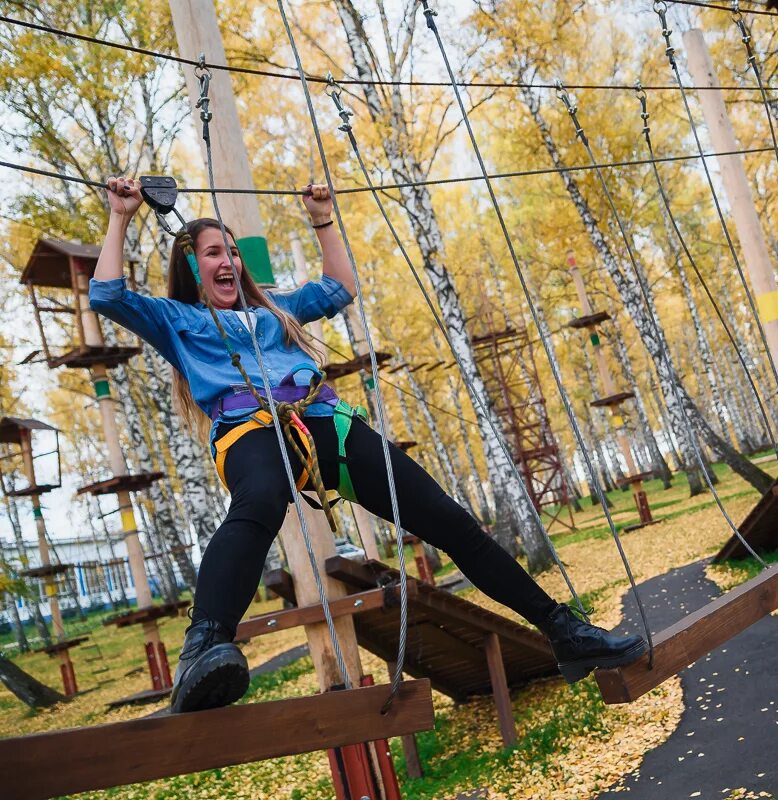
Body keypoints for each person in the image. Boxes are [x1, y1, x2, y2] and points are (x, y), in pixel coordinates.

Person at [91, 177, 647, 714]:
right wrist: (121, 217)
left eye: (233, 252)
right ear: (191, 266)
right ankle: (203, 647)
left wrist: (322, 220)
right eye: (214, 253)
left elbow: (340, 288)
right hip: (251, 429)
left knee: (445, 518)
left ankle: (561, 629)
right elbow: (108, 294)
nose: (228, 262)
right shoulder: (178, 319)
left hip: (325, 420)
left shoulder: (274, 311)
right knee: (259, 498)